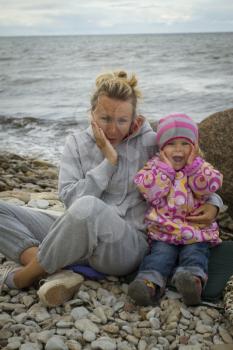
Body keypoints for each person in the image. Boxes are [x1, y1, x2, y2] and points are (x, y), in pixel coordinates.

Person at [0, 72, 222, 307]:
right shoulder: (76, 143)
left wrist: (214, 202)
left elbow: (187, 172)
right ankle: (53, 269)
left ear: (134, 119)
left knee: (90, 207)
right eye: (105, 118)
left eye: (122, 121)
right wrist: (109, 162)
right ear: (91, 113)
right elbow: (69, 201)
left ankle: (27, 275)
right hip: (78, 229)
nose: (113, 130)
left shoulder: (150, 143)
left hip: (127, 245)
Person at [128, 113, 223, 307]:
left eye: (184, 144)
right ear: (161, 147)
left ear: (194, 147)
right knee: (159, 257)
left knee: (195, 255)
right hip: (165, 232)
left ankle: (192, 283)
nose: (178, 149)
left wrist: (194, 167)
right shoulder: (154, 168)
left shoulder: (200, 167)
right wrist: (166, 170)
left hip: (196, 232)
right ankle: (148, 285)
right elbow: (150, 191)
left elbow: (210, 185)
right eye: (171, 144)